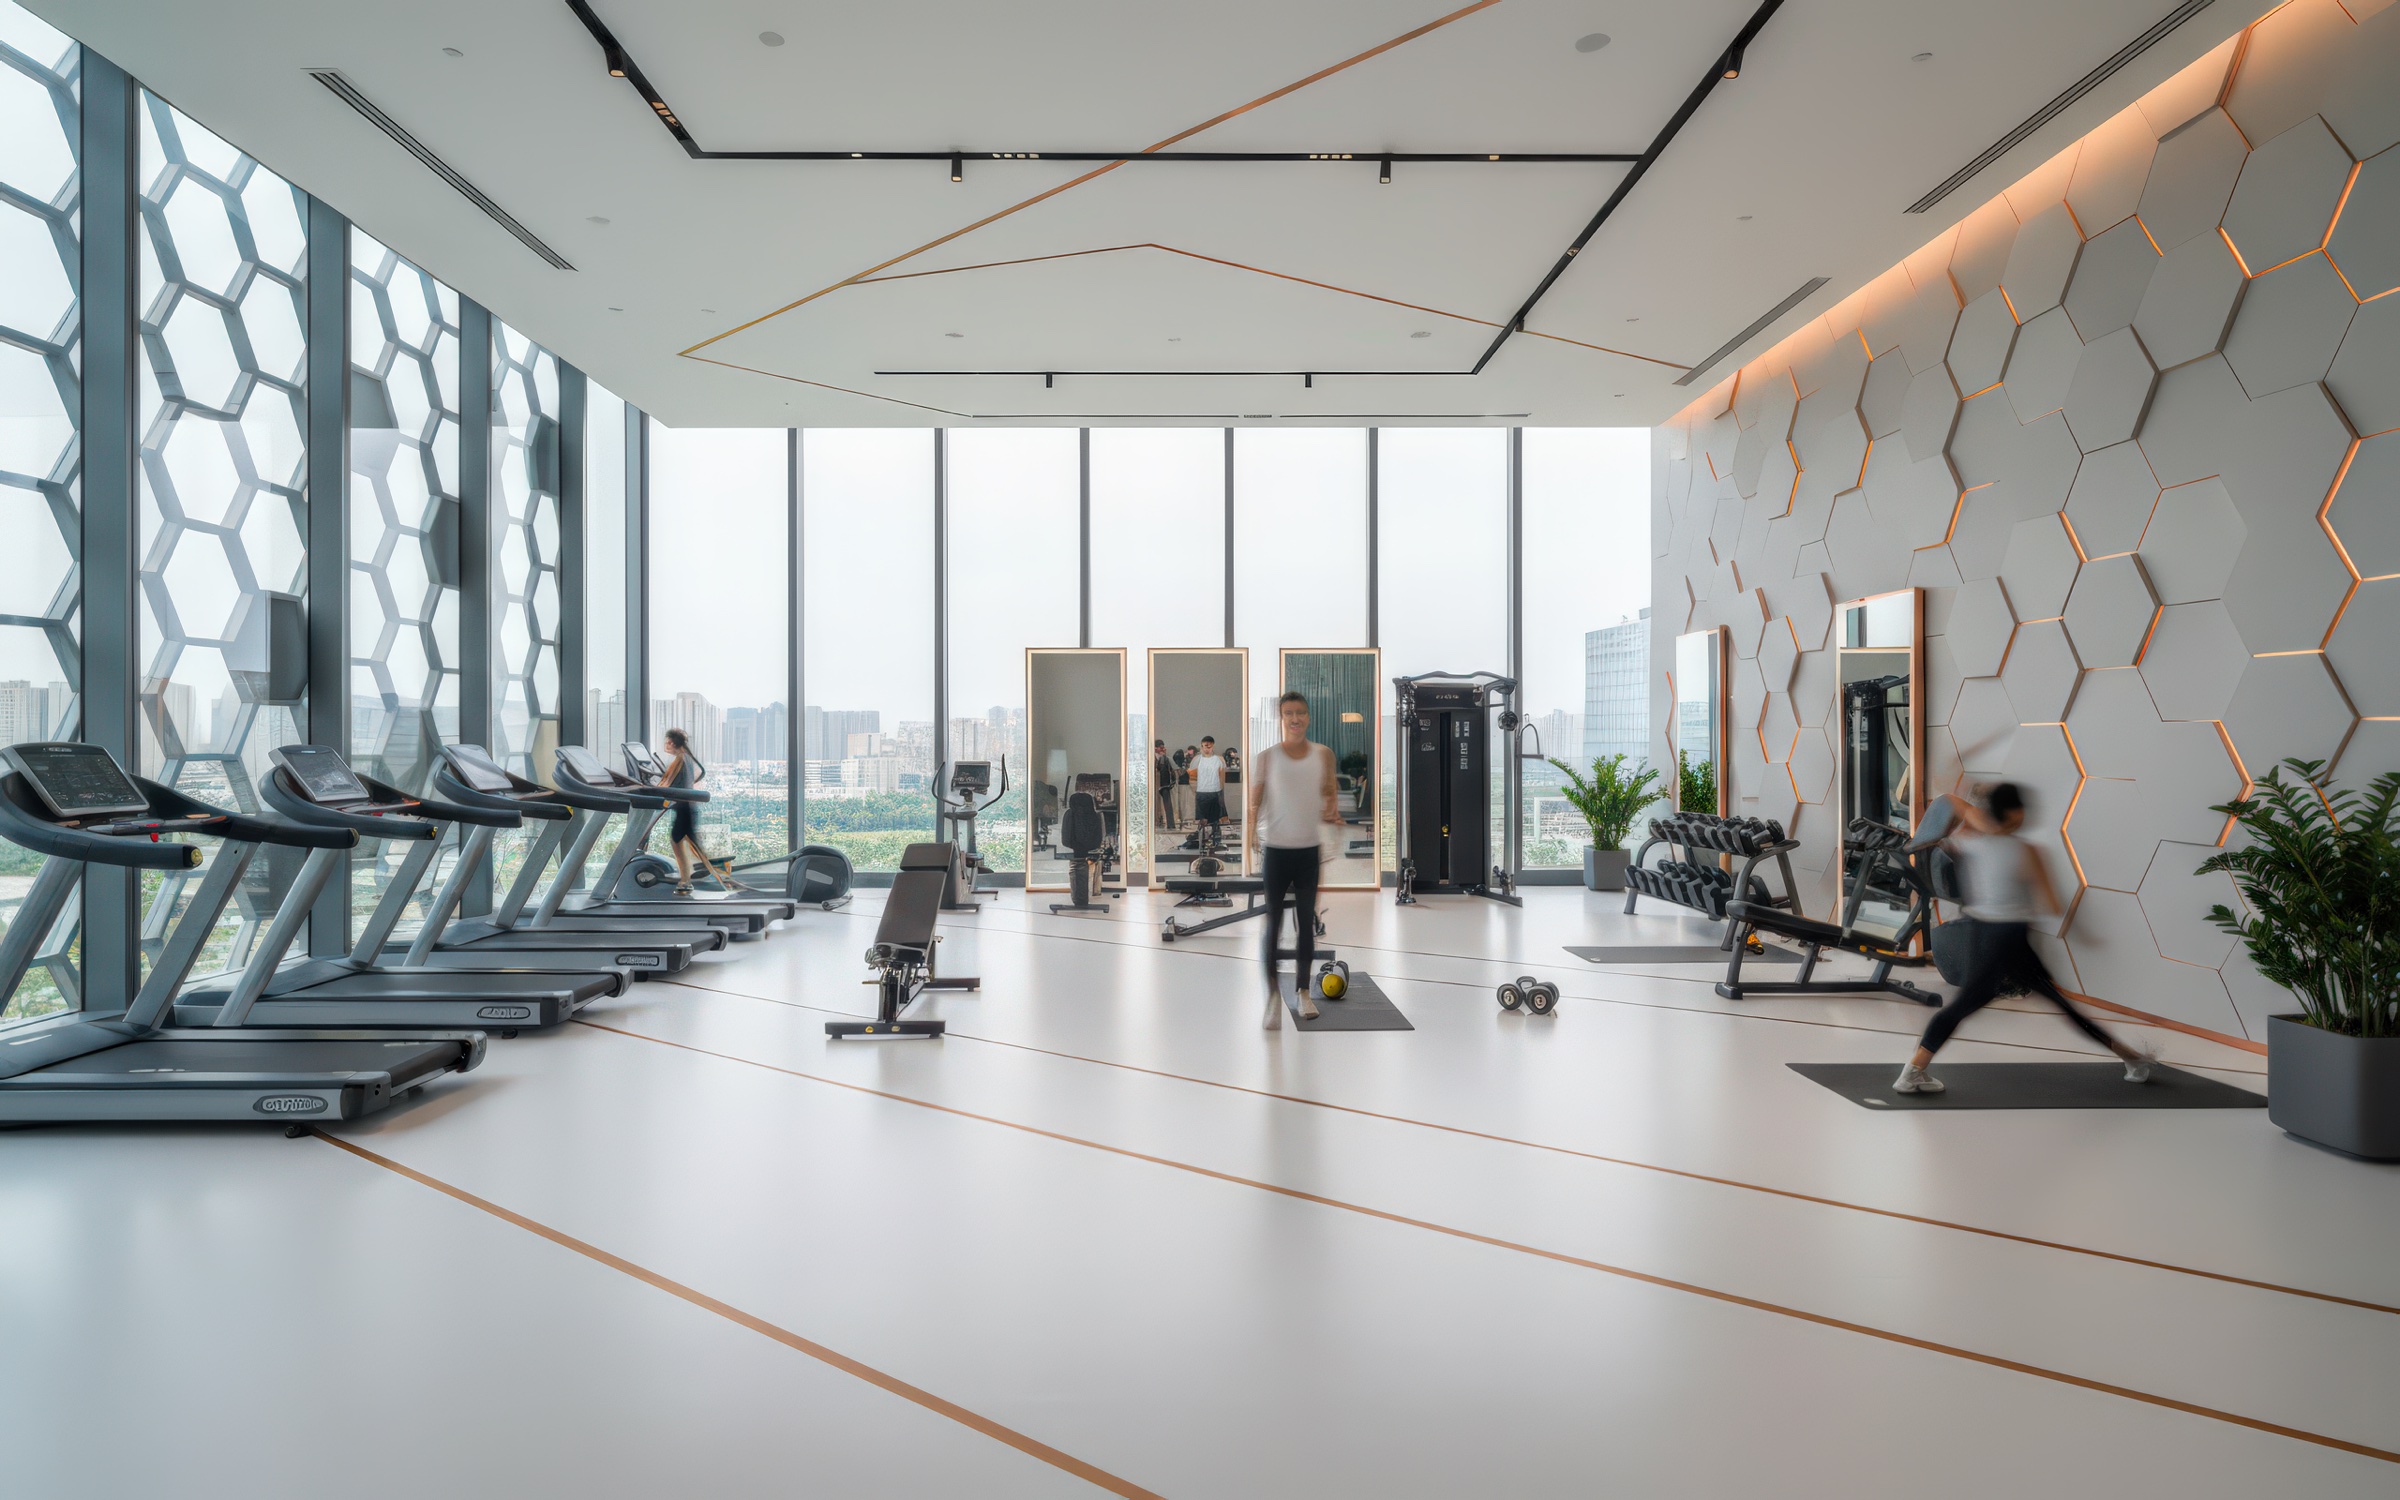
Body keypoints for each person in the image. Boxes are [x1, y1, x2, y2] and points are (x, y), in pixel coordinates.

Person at [1896, 782, 2156, 1093]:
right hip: (2008, 937)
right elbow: (2052, 903)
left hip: (1982, 932)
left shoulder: (1969, 840)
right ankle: (1912, 1072)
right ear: (2015, 813)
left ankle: (2133, 1059)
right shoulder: (2025, 850)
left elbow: (1952, 802)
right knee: (1971, 1005)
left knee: (1980, 1003)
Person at [1248, 691, 1340, 1030]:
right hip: (1276, 851)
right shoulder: (1268, 757)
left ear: (1308, 717)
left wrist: (1332, 815)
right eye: (1289, 713)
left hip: (1307, 851)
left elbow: (1329, 792)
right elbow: (1255, 799)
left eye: (1301, 712)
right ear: (1281, 718)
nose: (1295, 718)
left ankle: (1303, 991)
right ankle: (1272, 998)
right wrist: (1250, 834)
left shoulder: (1323, 755)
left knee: (1305, 923)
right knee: (1273, 925)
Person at [653, 728, 737, 896]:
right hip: (687, 807)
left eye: (666, 741)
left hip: (685, 807)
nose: (665, 744)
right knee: (688, 843)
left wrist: (648, 788)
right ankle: (695, 878)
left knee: (679, 841)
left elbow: (668, 783)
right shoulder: (685, 758)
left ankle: (689, 879)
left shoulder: (681, 759)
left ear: (671, 742)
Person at [1190, 736, 1228, 851]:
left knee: (1215, 820)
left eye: (1209, 746)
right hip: (1201, 792)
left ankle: (1216, 842)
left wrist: (1221, 792)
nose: (1207, 748)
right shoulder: (1196, 760)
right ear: (1201, 745)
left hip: (1215, 791)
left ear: (1213, 746)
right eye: (1205, 746)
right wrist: (1195, 792)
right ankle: (1201, 843)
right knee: (1202, 820)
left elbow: (1222, 777)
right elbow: (1192, 778)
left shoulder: (1219, 759)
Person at [1152, 739, 1175, 836]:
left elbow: (1172, 768)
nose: (1162, 749)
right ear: (1156, 748)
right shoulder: (1152, 757)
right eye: (1160, 747)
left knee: (1168, 804)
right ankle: (1157, 822)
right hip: (1155, 783)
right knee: (1155, 804)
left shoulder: (1165, 758)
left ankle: (1170, 824)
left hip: (1164, 784)